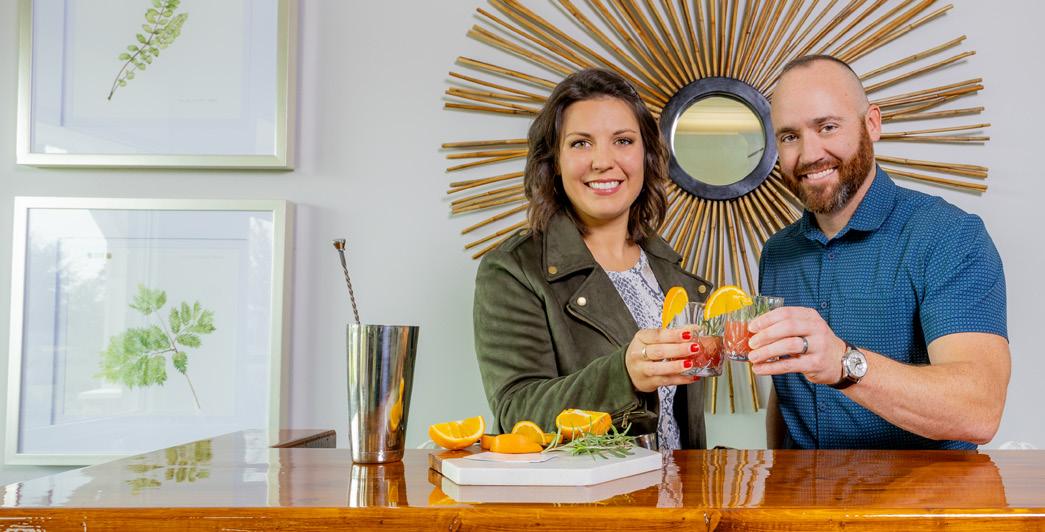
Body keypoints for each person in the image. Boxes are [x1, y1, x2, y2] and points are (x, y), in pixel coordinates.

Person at [747, 55, 1010, 449]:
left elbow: (979, 409)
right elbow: (786, 396)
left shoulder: (950, 236)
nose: (809, 153)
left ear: (872, 124)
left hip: (922, 491)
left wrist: (843, 364)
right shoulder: (777, 252)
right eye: (789, 137)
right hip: (800, 488)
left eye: (827, 127)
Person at [473, 69, 713, 450]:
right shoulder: (513, 271)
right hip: (587, 491)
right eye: (581, 143)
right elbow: (517, 411)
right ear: (554, 160)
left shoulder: (673, 275)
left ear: (646, 155)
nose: (603, 161)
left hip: (677, 490)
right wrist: (624, 375)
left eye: (623, 140)